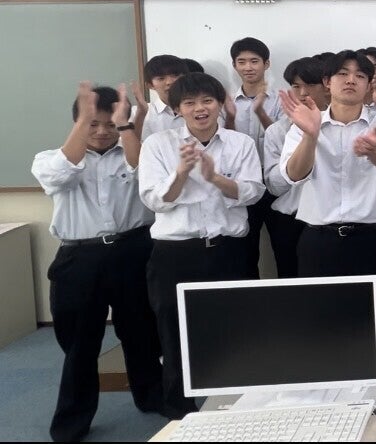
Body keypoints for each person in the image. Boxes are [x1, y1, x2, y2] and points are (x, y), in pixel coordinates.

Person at [32, 83, 162, 442]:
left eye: (109, 123)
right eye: (93, 123)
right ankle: (73, 420)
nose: (103, 131)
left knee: (141, 333)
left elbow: (145, 174)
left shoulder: (132, 150)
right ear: (77, 122)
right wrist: (84, 120)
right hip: (80, 258)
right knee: (79, 342)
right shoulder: (50, 158)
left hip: (133, 250)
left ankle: (152, 397)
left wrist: (128, 125)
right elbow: (60, 175)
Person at [138, 72, 263, 419]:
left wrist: (214, 178)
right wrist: (181, 173)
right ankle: (179, 412)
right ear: (178, 109)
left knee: (236, 329)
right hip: (176, 254)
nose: (199, 109)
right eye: (190, 103)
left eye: (207, 100)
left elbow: (253, 192)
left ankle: (237, 408)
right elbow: (154, 200)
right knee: (175, 332)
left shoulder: (240, 144)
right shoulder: (158, 144)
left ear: (220, 104)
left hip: (228, 251)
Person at [279, 50, 376, 378]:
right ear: (327, 82)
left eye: (360, 75)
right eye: (342, 74)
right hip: (319, 241)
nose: (351, 80)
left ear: (369, 85)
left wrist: (374, 149)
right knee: (323, 323)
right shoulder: (306, 122)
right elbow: (294, 175)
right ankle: (328, 392)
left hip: (372, 240)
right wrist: (311, 135)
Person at [262, 57, 330, 278]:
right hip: (289, 221)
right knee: (291, 282)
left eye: (310, 85)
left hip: (328, 222)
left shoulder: (341, 127)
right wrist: (296, 164)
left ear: (327, 86)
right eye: (296, 86)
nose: (302, 93)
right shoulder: (277, 131)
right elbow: (273, 186)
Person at [224, 36, 283, 279]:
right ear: (234, 65)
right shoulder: (225, 100)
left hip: (275, 182)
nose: (248, 67)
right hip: (243, 183)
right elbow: (223, 144)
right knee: (245, 251)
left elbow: (284, 141)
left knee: (284, 247)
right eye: (242, 62)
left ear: (266, 64)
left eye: (254, 61)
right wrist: (229, 117)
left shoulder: (282, 99)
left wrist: (260, 113)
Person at [132, 54, 189, 141]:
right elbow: (128, 147)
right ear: (150, 85)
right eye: (161, 78)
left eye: (175, 75)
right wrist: (141, 115)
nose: (169, 82)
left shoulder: (200, 110)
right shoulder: (138, 113)